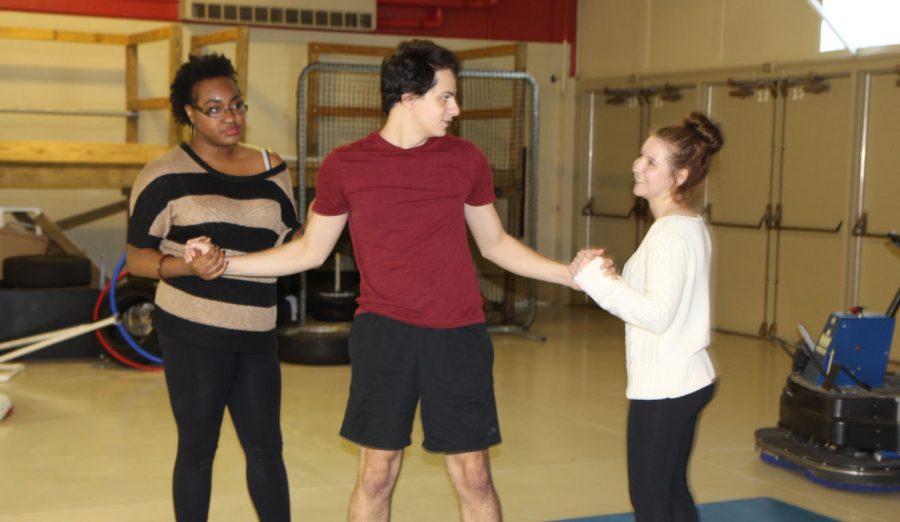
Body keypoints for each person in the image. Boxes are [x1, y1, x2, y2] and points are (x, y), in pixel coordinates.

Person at [186, 40, 610, 522]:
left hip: (458, 335)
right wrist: (228, 263)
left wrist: (569, 276)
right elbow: (309, 250)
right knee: (377, 473)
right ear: (408, 98)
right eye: (445, 97)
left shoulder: (465, 160)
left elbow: (495, 244)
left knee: (474, 474)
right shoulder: (345, 166)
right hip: (384, 335)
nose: (456, 108)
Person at [126, 53, 295, 521]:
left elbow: (291, 242)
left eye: (237, 105)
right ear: (189, 114)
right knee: (199, 448)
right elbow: (138, 258)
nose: (231, 117)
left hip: (258, 329)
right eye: (215, 108)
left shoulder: (272, 167)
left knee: (267, 448)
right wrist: (187, 266)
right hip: (193, 330)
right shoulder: (163, 175)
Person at [571, 112, 724, 522]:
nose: (638, 165)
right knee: (671, 491)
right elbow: (664, 297)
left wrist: (593, 280)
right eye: (642, 155)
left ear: (679, 176)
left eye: (652, 162)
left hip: (666, 386)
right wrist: (612, 279)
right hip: (686, 376)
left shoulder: (669, 234)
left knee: (651, 499)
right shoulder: (686, 224)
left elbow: (656, 314)